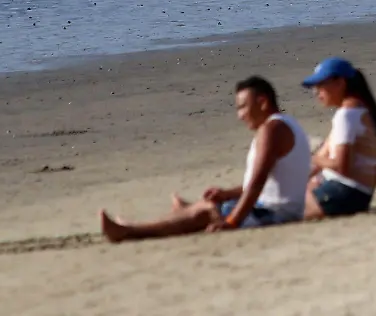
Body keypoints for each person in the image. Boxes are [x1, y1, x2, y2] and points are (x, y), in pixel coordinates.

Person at [99, 76, 310, 242]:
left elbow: (257, 183)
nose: (240, 115)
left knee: (206, 211)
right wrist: (227, 194)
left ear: (262, 102)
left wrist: (233, 222)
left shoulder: (271, 130)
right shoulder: (285, 124)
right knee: (210, 204)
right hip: (277, 210)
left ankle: (129, 231)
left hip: (273, 215)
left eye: (243, 107)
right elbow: (268, 183)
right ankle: (184, 212)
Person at [300, 57, 376, 220]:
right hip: (357, 194)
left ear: (340, 83)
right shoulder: (359, 109)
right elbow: (325, 153)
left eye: (321, 85)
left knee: (278, 210)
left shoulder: (347, 115)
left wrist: (309, 157)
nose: (316, 92)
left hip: (343, 193)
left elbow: (342, 166)